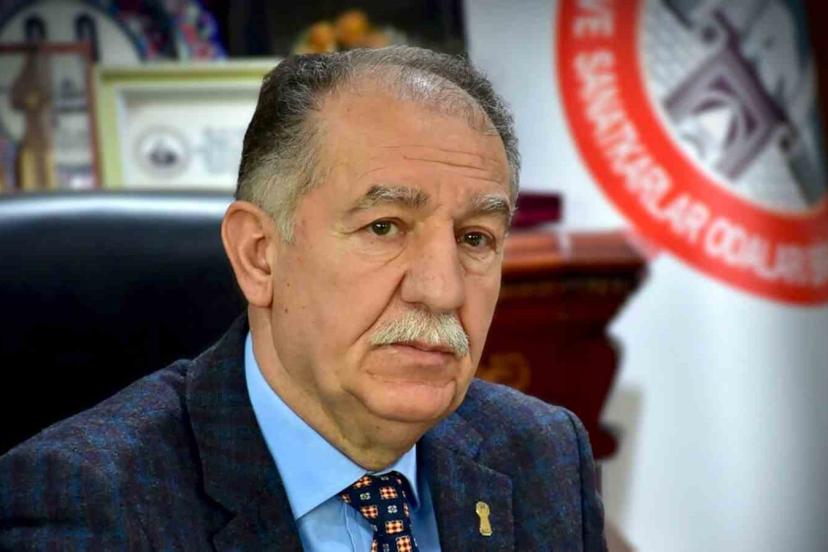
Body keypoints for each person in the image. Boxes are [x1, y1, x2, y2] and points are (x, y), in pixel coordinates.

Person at [0, 46, 606, 551]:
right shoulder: (88, 502)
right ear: (259, 254)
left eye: (475, 238)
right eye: (384, 227)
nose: (442, 289)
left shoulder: (543, 454)